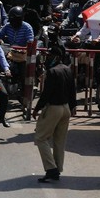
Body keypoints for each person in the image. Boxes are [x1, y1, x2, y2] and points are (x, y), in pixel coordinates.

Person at [33, 44, 76, 182]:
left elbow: (46, 93)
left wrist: (37, 108)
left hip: (54, 109)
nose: (48, 59)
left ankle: (51, 169)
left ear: (56, 57)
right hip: (66, 109)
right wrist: (73, 107)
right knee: (59, 141)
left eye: (50, 56)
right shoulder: (68, 70)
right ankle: (58, 168)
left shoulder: (52, 72)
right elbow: (72, 91)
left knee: (41, 138)